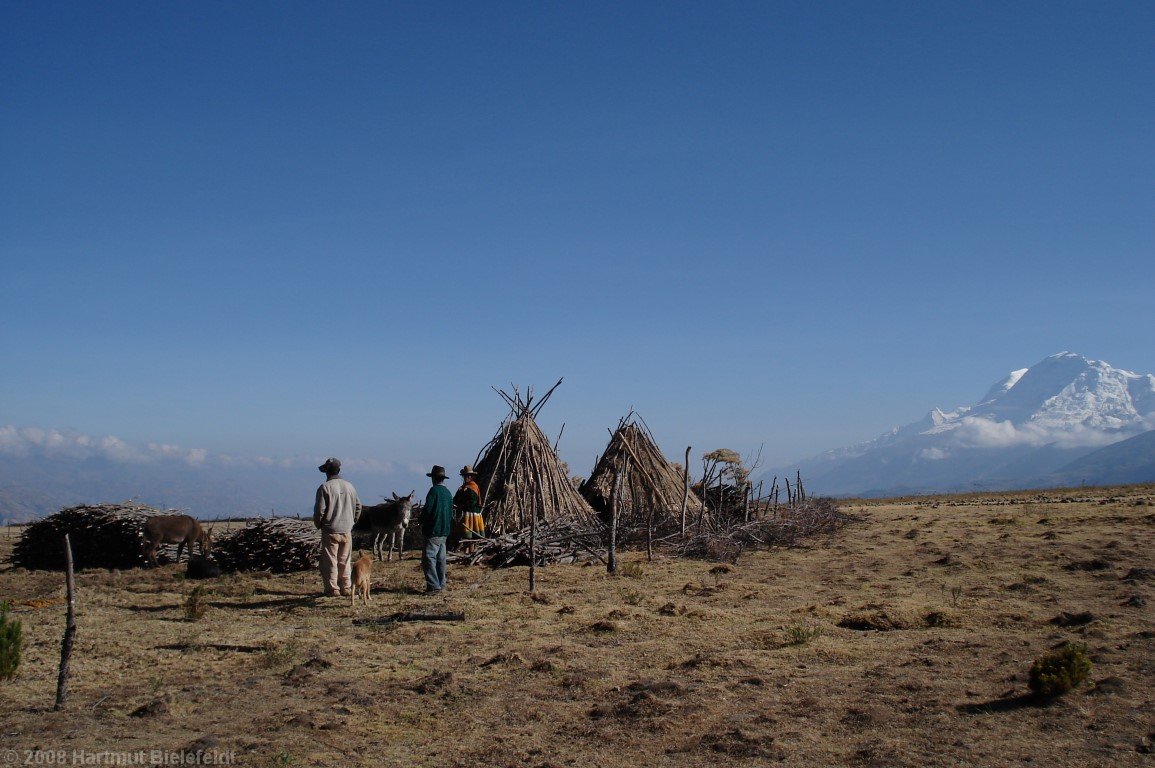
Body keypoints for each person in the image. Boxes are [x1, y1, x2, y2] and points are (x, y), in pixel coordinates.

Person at [313, 457, 361, 598]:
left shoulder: (325, 487)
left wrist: (319, 524)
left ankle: (332, 589)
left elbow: (319, 511)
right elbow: (358, 506)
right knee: (345, 560)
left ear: (326, 472)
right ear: (339, 470)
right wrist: (352, 522)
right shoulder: (350, 486)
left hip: (330, 529)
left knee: (330, 561)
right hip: (346, 529)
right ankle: (346, 587)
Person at [420, 464, 453, 594]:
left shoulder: (433, 491)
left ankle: (433, 586)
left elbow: (428, 509)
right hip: (444, 531)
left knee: (429, 559)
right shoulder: (448, 493)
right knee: (441, 560)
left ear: (433, 478)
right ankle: (442, 584)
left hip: (433, 530)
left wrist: (421, 520)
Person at [453, 465, 485, 542]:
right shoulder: (462, 487)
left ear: (471, 476)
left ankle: (471, 549)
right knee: (465, 535)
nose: (466, 477)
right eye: (465, 476)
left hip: (472, 514)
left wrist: (461, 506)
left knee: (471, 534)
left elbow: (472, 501)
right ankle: (467, 550)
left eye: (468, 476)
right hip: (465, 513)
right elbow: (456, 498)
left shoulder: (473, 487)